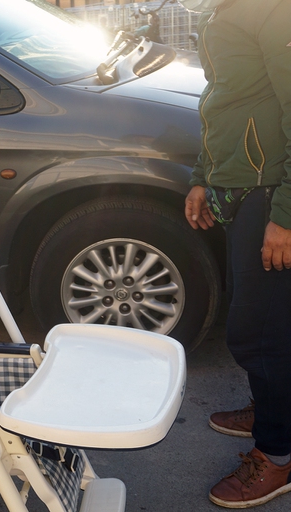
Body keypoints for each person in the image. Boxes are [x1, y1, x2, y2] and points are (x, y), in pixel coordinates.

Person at [182, 0, 291, 508]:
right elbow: (219, 97)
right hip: (236, 188)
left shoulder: (272, 9)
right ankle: (270, 408)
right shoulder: (217, 8)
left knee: (261, 333)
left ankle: (278, 454)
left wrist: (285, 214)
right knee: (259, 321)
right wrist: (202, 176)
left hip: (267, 192)